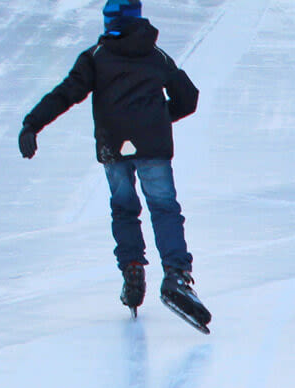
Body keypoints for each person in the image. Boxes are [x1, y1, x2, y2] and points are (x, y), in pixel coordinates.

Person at [20, 0, 210, 332]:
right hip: (152, 144)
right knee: (164, 208)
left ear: (111, 21)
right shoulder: (155, 54)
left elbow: (66, 94)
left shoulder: (97, 56)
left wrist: (32, 125)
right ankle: (176, 276)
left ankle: (133, 269)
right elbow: (188, 97)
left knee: (124, 209)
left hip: (114, 146)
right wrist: (158, 119)